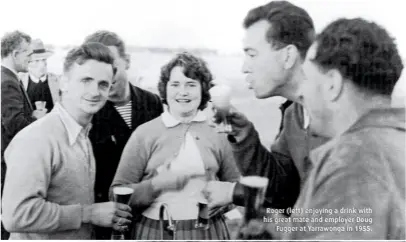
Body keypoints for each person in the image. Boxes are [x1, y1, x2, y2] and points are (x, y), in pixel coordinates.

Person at [248, 17, 405, 240]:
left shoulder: (352, 163)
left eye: (308, 78)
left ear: (332, 84)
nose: (301, 93)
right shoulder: (394, 143)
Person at [2, 42, 132, 240]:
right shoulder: (37, 138)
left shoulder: (82, 135)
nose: (95, 92)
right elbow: (15, 216)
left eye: (103, 84)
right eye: (85, 80)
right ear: (63, 82)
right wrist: (88, 214)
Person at [205, 0, 326, 213]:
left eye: (252, 54)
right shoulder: (294, 115)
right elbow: (281, 192)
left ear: (288, 56)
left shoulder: (337, 117)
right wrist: (245, 137)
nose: (244, 67)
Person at [110, 52, 241, 240]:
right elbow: (117, 193)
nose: (183, 92)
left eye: (191, 84)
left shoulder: (218, 132)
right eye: (175, 84)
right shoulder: (145, 133)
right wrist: (156, 184)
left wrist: (225, 202)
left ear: (204, 90)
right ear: (165, 89)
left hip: (208, 233)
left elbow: (235, 189)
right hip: (154, 232)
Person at [83, 30, 164, 239]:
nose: (105, 80)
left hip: (150, 214)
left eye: (112, 69)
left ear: (127, 61)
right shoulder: (87, 112)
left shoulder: (152, 102)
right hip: (107, 221)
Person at [1, 30, 46, 240]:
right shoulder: (7, 81)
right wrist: (37, 119)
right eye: (28, 53)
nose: (31, 58)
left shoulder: (8, 78)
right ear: (15, 53)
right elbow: (15, 124)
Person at [19, 39, 61, 112]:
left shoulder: (57, 81)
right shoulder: (19, 81)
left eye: (44, 60)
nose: (42, 65)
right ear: (28, 63)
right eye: (37, 61)